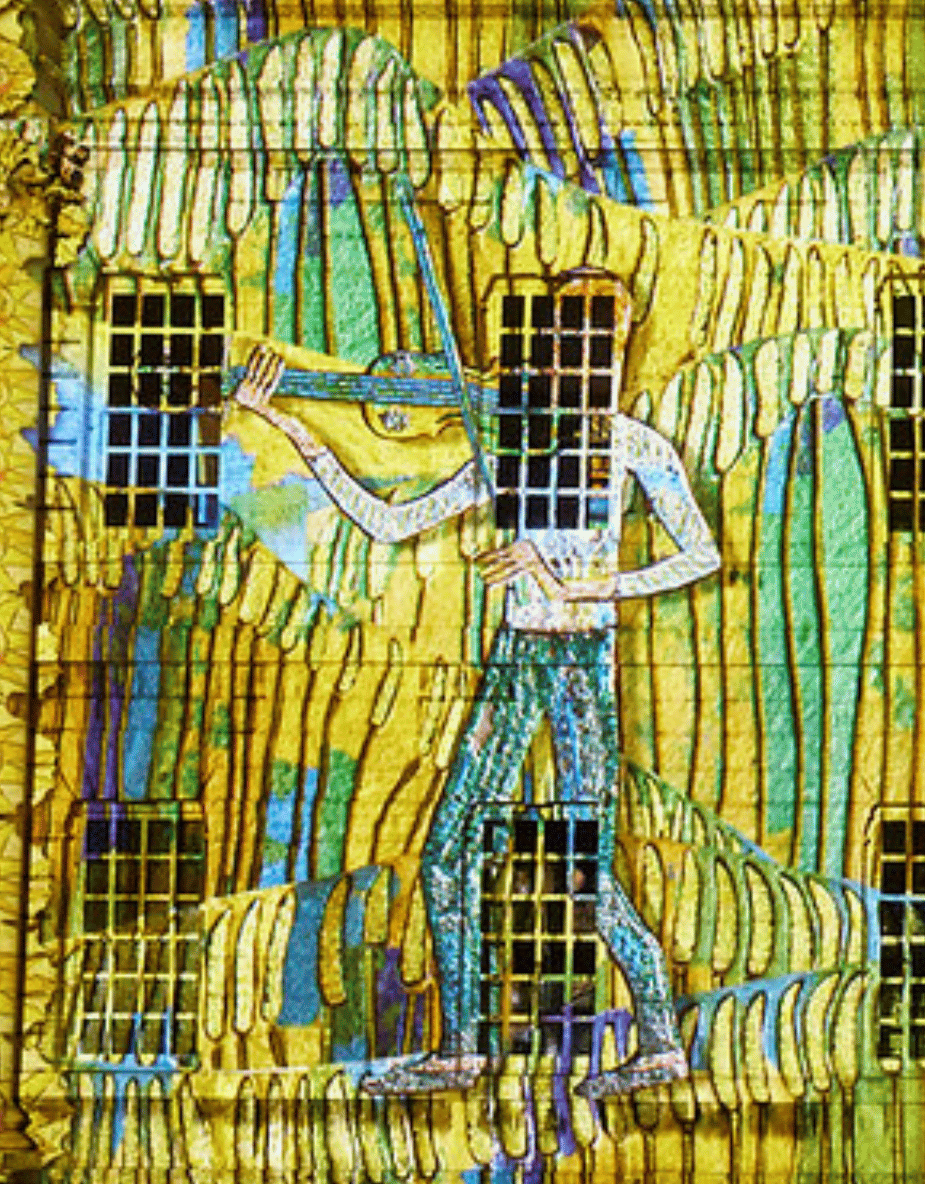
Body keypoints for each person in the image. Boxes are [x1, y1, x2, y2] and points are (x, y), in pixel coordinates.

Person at [228, 268, 720, 1098]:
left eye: (602, 348)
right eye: (568, 345)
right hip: (514, 661)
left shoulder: (632, 445)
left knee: (583, 869)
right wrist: (288, 422)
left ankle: (662, 1040)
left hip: (577, 670)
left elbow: (700, 554)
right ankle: (461, 1046)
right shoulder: (514, 445)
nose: (582, 365)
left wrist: (573, 585)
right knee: (449, 849)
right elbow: (391, 519)